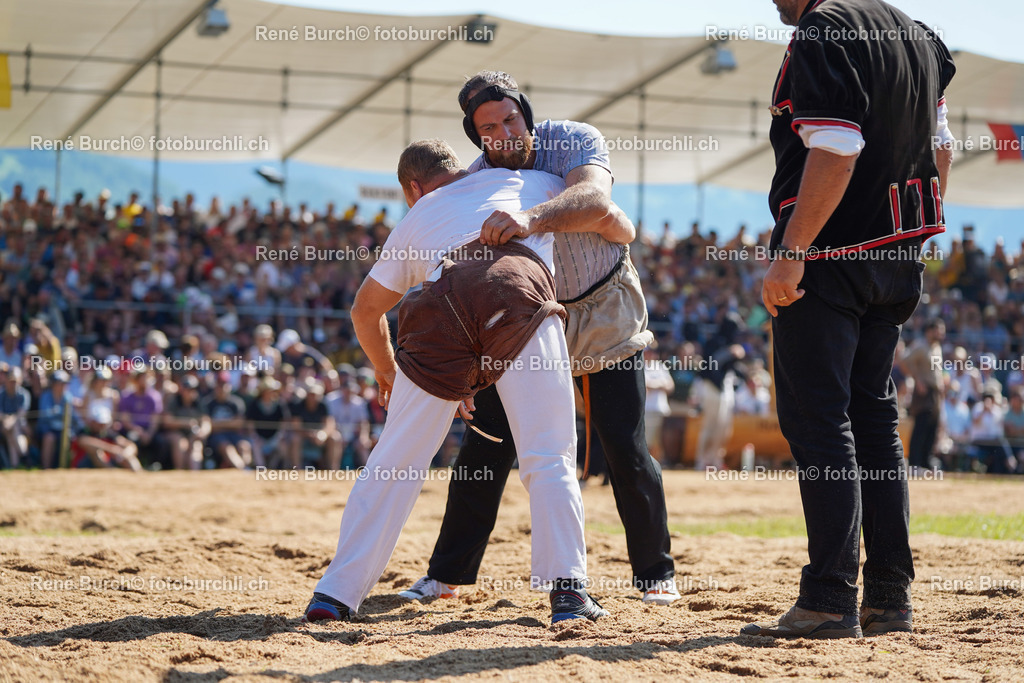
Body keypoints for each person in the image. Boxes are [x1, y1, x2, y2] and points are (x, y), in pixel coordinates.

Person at [401, 70, 679, 607]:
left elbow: (596, 200)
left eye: (511, 118)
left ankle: (655, 573)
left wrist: (528, 218)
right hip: (522, 320)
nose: (505, 131)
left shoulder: (573, 139)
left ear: (525, 113)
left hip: (601, 303)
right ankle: (446, 574)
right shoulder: (477, 179)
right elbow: (458, 273)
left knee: (623, 443)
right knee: (485, 445)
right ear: (476, 137)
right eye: (489, 127)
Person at [304, 139, 608, 625]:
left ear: (413, 188)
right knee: (548, 454)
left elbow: (365, 312)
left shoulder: (414, 217)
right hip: (515, 290)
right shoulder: (531, 182)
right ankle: (568, 592)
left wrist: (388, 372)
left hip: (435, 311)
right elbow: (602, 210)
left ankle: (335, 595)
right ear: (461, 169)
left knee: (394, 462)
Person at [743, 0, 955, 639]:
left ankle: (830, 598)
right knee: (873, 419)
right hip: (897, 255)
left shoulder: (824, 27)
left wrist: (791, 253)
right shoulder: (918, 36)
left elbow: (836, 148)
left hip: (831, 257)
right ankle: (890, 597)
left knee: (818, 418)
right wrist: (910, 240)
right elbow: (939, 149)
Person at [903, 319, 945, 470]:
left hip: (935, 393)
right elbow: (904, 360)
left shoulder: (937, 347)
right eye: (938, 330)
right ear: (929, 330)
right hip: (923, 392)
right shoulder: (920, 346)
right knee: (921, 425)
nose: (941, 333)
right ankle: (914, 463)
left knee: (932, 427)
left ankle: (925, 462)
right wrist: (917, 379)